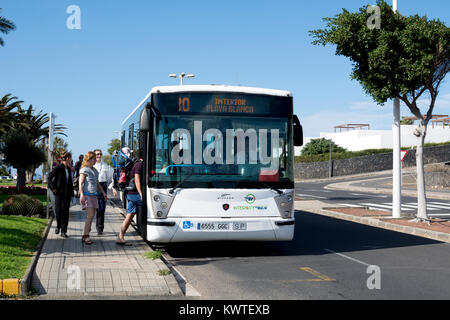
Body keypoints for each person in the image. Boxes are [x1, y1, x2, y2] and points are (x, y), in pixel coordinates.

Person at [79, 151, 108, 245]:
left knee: (91, 216)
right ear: (90, 159)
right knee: (90, 216)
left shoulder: (94, 170)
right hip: (87, 195)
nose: (96, 160)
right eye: (94, 158)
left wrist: (103, 193)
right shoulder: (84, 170)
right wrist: (82, 195)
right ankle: (86, 236)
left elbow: (97, 183)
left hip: (94, 195)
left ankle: (85, 233)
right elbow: (80, 183)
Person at [117, 151, 142, 245]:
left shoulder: (134, 164)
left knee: (129, 216)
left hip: (130, 193)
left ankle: (120, 237)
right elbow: (137, 180)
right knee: (150, 204)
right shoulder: (139, 164)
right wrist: (141, 194)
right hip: (135, 194)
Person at [48, 152, 74, 238]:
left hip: (67, 195)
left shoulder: (69, 169)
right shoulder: (59, 167)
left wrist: (71, 194)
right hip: (59, 194)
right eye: (70, 158)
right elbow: (49, 178)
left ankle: (63, 231)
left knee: (65, 213)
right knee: (58, 212)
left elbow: (70, 183)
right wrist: (53, 188)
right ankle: (58, 225)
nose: (71, 160)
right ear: (67, 158)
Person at [93, 149, 115, 235]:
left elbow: (110, 178)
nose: (99, 156)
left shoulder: (105, 166)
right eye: (97, 154)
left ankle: (99, 228)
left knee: (101, 210)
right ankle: (87, 229)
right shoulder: (91, 166)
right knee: (92, 211)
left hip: (103, 187)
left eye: (100, 154)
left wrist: (112, 188)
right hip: (93, 189)